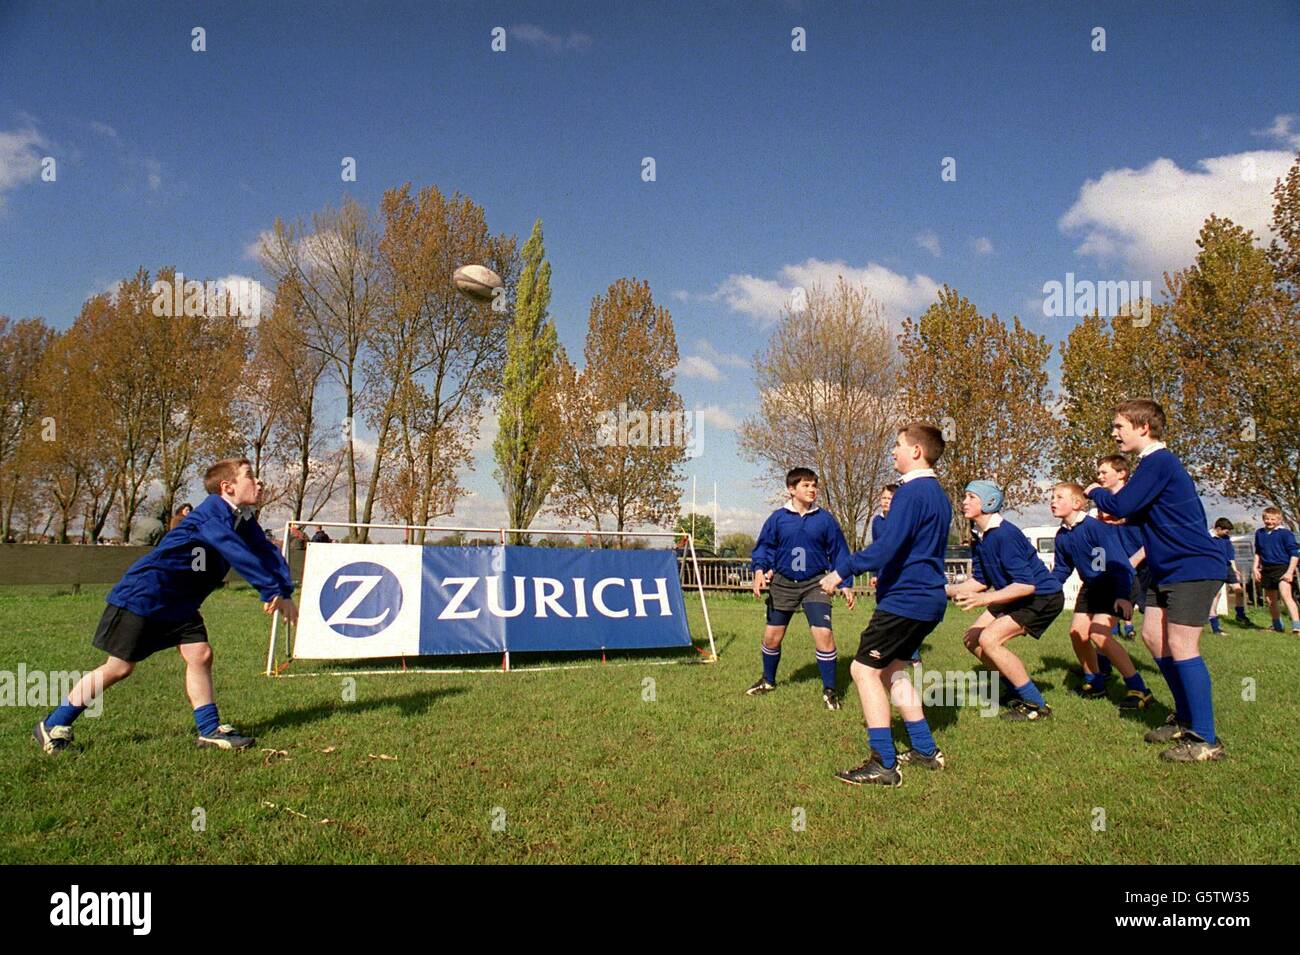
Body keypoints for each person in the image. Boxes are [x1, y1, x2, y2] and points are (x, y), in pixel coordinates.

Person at [33, 457, 299, 755]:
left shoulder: (243, 517)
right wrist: (268, 589)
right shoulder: (213, 514)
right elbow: (233, 550)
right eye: (250, 476)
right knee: (119, 668)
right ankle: (53, 725)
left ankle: (209, 730)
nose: (259, 481)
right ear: (228, 487)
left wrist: (283, 589)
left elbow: (264, 550)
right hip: (146, 595)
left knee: (200, 654)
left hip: (181, 603)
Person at [1086, 399, 1226, 762]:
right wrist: (1125, 521)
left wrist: (1094, 493)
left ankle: (1206, 739)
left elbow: (1120, 504)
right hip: (1167, 569)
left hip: (1192, 567)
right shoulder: (1153, 465)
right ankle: (1184, 717)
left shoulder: (1159, 461)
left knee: (1182, 647)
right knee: (1151, 636)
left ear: (1143, 428)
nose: (1114, 433)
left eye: (1120, 426)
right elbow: (1150, 515)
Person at [819, 423, 951, 785]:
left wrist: (840, 572)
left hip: (906, 600)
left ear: (916, 451)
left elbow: (887, 548)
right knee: (893, 672)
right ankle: (925, 750)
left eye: (897, 445)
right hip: (928, 599)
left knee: (863, 671)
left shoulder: (911, 493)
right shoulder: (938, 493)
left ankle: (884, 764)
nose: (892, 451)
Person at [947, 481, 1064, 722]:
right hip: (1014, 593)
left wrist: (984, 599)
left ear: (989, 502)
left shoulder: (1005, 535)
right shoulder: (978, 534)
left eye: (971, 497)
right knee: (972, 639)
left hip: (1042, 596)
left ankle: (1037, 705)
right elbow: (980, 579)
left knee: (989, 639)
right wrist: (943, 590)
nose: (964, 501)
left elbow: (1026, 584)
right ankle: (1015, 692)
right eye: (965, 496)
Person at [748, 467, 856, 710]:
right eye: (806, 485)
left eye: (814, 485)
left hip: (815, 583)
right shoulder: (777, 518)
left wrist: (845, 583)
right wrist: (758, 571)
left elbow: (840, 552)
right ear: (791, 489)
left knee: (824, 635)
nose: (812, 489)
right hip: (783, 583)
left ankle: (829, 689)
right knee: (772, 638)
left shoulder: (825, 520)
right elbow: (764, 548)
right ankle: (768, 681)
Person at [1049, 482, 1154, 709]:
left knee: (1098, 635)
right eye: (1052, 497)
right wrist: (1043, 589)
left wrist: (1123, 596)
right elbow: (1061, 570)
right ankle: (1094, 683)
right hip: (1093, 586)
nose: (1053, 501)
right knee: (1077, 633)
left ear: (1077, 503)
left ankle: (1140, 689)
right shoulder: (1062, 535)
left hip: (1118, 583)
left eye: (1059, 497)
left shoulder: (1096, 528)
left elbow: (1120, 565)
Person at [1252, 507, 1299, 634]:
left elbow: (1295, 554)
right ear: (1263, 519)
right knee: (1270, 600)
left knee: (1286, 596)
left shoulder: (1286, 534)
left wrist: (1289, 572)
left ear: (1279, 520)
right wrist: (1255, 567)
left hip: (1282, 567)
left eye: (1273, 519)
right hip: (1267, 569)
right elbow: (1258, 552)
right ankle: (1277, 626)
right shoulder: (1259, 533)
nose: (1269, 521)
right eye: (1267, 519)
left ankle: (1297, 627)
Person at [1210, 517, 1248, 630]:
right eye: (1226, 531)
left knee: (1239, 590)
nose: (1228, 533)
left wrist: (1235, 569)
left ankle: (1240, 615)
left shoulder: (1226, 539)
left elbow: (1230, 555)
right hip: (1214, 568)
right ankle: (1214, 623)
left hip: (1227, 567)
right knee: (1216, 594)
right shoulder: (1207, 537)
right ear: (1218, 528)